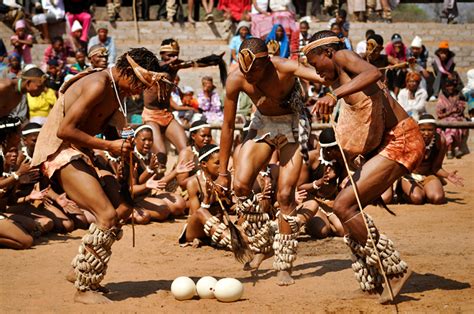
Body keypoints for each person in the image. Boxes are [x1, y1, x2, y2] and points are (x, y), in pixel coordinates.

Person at [31, 48, 171, 304]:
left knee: (123, 208)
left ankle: (79, 269)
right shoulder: (98, 83)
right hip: (59, 152)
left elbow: (109, 134)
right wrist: (110, 147)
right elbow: (65, 131)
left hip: (84, 152)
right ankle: (84, 289)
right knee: (106, 215)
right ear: (128, 72)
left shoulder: (117, 91)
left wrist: (122, 148)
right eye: (139, 84)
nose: (138, 92)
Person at [303, 30, 425, 303]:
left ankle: (391, 270)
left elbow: (374, 74)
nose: (317, 72)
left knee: (343, 205)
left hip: (403, 140)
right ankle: (372, 273)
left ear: (327, 53)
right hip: (390, 143)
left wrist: (334, 96)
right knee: (347, 202)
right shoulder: (346, 74)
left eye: (315, 63)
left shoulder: (344, 55)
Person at [216, 37, 326, 286]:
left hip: (293, 124)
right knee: (240, 186)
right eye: (245, 70)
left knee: (286, 194)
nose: (249, 75)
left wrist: (332, 91)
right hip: (262, 123)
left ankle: (284, 263)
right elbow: (228, 125)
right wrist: (223, 171)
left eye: (254, 69)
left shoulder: (285, 67)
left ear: (266, 61)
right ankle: (263, 245)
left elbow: (323, 76)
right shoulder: (236, 79)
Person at [400, 113, 463, 205]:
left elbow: (436, 168)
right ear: (417, 128)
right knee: (417, 199)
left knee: (438, 198)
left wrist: (447, 175)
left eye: (430, 130)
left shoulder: (440, 141)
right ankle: (403, 192)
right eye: (423, 130)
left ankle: (425, 191)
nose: (426, 133)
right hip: (410, 176)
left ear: (435, 129)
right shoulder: (411, 140)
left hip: (428, 175)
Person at [179, 144, 234, 248]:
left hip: (218, 227)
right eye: (217, 163)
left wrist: (227, 197)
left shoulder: (225, 177)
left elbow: (229, 206)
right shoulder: (193, 183)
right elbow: (197, 214)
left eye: (223, 162)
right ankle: (232, 241)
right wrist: (207, 198)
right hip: (196, 229)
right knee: (201, 212)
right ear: (204, 164)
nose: (222, 166)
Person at [436, 77, 468, 159]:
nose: (450, 88)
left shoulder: (458, 95)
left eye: (451, 86)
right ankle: (452, 149)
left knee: (452, 126)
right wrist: (449, 112)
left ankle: (452, 149)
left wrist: (456, 110)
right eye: (448, 86)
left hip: (457, 118)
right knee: (444, 127)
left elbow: (461, 109)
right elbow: (439, 114)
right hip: (445, 118)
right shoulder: (442, 97)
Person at [176, 120, 212, 189]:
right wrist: (202, 174)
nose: (207, 139)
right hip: (190, 191)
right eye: (203, 136)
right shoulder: (186, 153)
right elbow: (182, 183)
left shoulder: (212, 151)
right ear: (193, 136)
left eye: (209, 136)